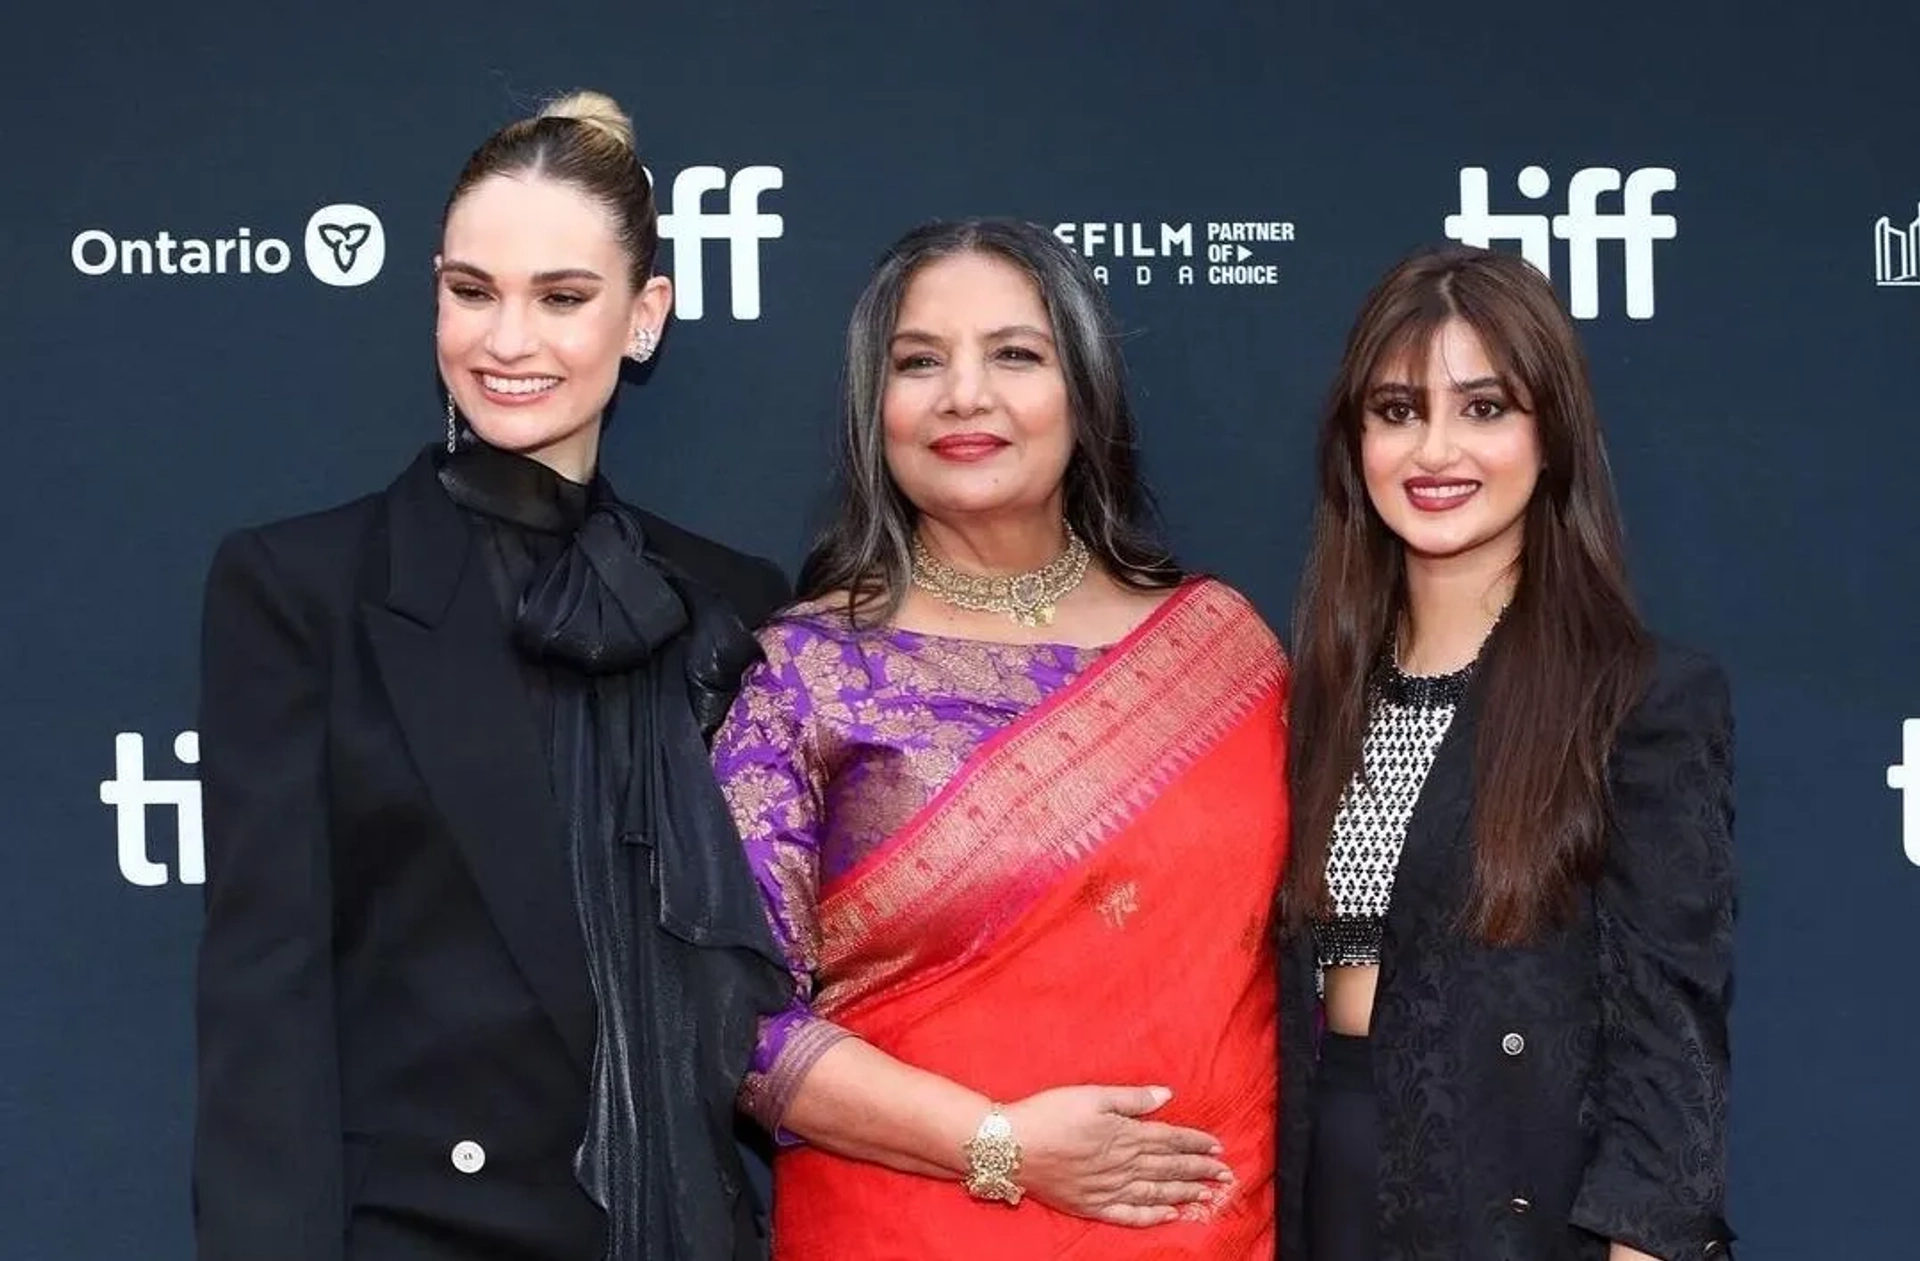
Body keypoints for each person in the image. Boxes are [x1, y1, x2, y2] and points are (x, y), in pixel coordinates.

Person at [192, 90, 791, 1261]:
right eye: (472, 292)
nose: (506, 341)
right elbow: (265, 1005)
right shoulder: (301, 588)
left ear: (644, 316)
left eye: (562, 298)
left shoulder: (731, 603)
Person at [708, 218, 1288, 1259]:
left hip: (1210, 1234)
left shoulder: (1225, 649)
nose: (963, 395)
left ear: (1086, 392)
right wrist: (1001, 1144)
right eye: (919, 362)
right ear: (872, 407)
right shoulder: (808, 675)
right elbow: (731, 1018)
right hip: (903, 1230)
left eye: (1014, 354)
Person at [1277, 245, 1736, 1261]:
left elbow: (1672, 1038)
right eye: (1397, 411)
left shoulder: (1638, 698)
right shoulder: (1309, 702)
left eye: (1484, 408)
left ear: (1551, 435)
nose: (1435, 449)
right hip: (1328, 1182)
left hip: (1525, 1204)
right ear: (1356, 441)